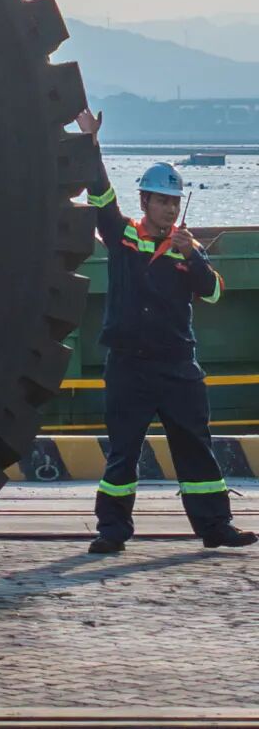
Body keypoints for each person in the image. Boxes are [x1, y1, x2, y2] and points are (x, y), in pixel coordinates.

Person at [77, 107, 257, 554]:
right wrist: (92, 144)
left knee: (196, 448)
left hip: (178, 365)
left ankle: (215, 527)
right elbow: (100, 198)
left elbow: (213, 292)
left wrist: (193, 258)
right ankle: (113, 531)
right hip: (129, 366)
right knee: (122, 453)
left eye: (174, 201)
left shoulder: (187, 249)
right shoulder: (122, 238)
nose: (170, 208)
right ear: (144, 203)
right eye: (162, 200)